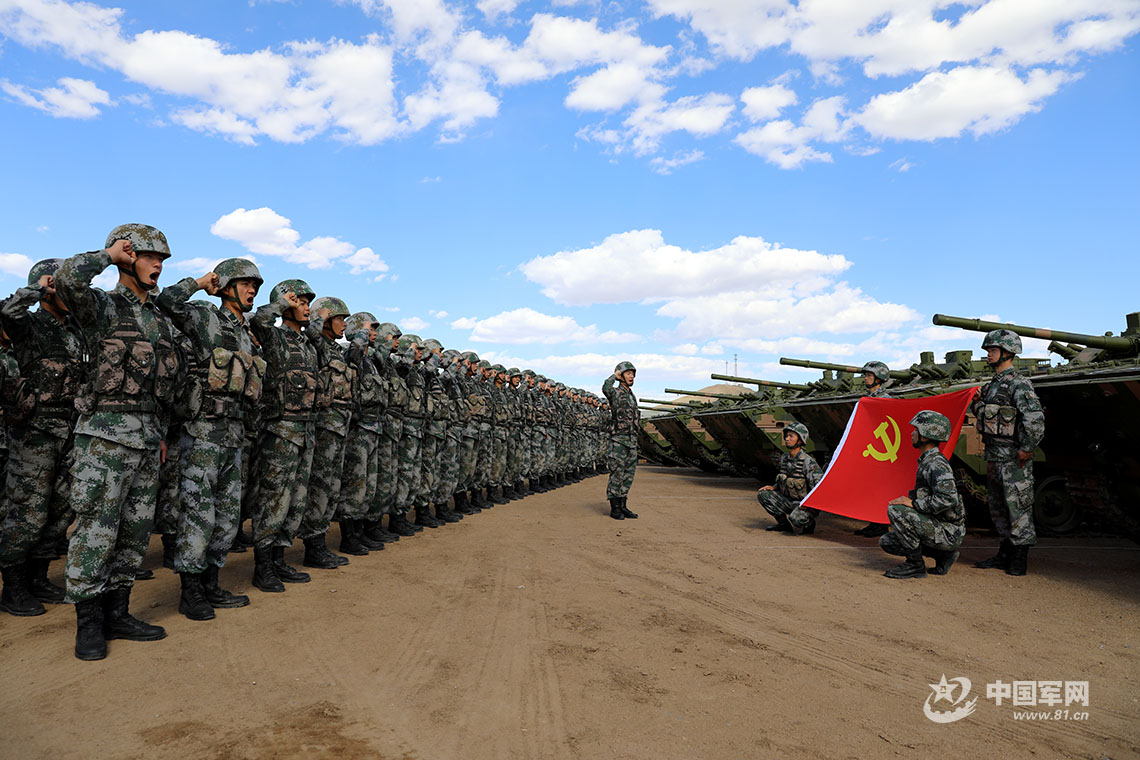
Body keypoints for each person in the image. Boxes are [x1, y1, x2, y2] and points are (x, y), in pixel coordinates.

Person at [56, 224, 181, 661]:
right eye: (148, 256)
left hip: (147, 438)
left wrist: (161, 436)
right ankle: (88, 624)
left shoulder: (160, 319)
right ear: (129, 257)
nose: (157, 265)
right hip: (104, 437)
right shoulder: (102, 306)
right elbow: (69, 276)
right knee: (96, 529)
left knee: (133, 533)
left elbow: (162, 384)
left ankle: (118, 613)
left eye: (162, 258)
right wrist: (109, 255)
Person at [155, 258, 264, 619]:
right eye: (246, 284)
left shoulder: (246, 333)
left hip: (233, 433)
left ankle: (211, 583)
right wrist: (200, 283)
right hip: (202, 432)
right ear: (227, 287)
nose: (252, 290)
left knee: (227, 514)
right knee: (198, 512)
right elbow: (166, 302)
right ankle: (191, 592)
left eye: (256, 286)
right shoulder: (205, 316)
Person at [0, 259, 85, 616]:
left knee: (62, 507)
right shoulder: (30, 325)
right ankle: (13, 586)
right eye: (60, 286)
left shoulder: (76, 330)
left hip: (70, 427)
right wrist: (39, 289)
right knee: (27, 511)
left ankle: (38, 576)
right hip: (34, 430)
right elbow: (8, 311)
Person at [249, 279, 319, 592]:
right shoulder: (275, 336)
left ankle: (279, 559)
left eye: (306, 302)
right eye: (300, 301)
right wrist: (281, 304)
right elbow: (259, 320)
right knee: (273, 500)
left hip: (305, 431)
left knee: (295, 501)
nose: (305, 307)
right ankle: (263, 567)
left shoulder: (306, 344)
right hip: (279, 432)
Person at [971, 329, 1045, 576]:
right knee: (998, 508)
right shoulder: (991, 385)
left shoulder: (1019, 383)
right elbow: (985, 416)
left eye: (992, 351)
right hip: (994, 455)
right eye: (989, 351)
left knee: (1018, 508)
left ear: (1007, 352)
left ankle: (1019, 559)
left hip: (1014, 458)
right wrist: (978, 402)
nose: (988, 355)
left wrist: (1026, 448)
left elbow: (1034, 419)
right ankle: (1004, 553)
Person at [298, 296, 356, 567]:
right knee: (319, 487)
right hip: (324, 428)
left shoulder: (336, 351)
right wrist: (317, 316)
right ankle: (313, 546)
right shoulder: (318, 343)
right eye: (340, 318)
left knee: (332, 487)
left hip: (339, 428)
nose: (344, 324)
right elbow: (311, 331)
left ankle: (320, 539)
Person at [879, 411, 965, 579]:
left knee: (897, 510)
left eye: (915, 430)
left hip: (949, 531)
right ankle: (943, 556)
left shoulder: (936, 464)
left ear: (925, 436)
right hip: (940, 526)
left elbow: (949, 498)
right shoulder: (928, 461)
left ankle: (915, 565)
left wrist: (914, 504)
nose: (912, 434)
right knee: (888, 541)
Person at [757, 422, 822, 534]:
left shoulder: (808, 462)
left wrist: (808, 504)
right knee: (763, 494)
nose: (787, 439)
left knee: (796, 519)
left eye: (791, 436)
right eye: (786, 436)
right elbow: (786, 477)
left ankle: (809, 523)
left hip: (804, 504)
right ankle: (783, 525)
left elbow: (818, 487)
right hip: (789, 500)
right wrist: (774, 487)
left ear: (800, 440)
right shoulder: (785, 458)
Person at [854, 360, 894, 538]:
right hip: (869, 448)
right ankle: (873, 522)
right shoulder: (866, 399)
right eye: (866, 375)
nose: (866, 378)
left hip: (881, 449)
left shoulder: (885, 400)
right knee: (870, 487)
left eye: (870, 375)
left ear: (880, 377)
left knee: (880, 488)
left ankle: (881, 524)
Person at [602, 361, 639, 520]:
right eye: (628, 373)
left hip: (631, 441)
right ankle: (615, 507)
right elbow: (606, 388)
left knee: (628, 475)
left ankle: (623, 505)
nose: (631, 376)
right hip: (618, 440)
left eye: (633, 374)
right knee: (617, 474)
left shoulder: (631, 395)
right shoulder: (615, 392)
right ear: (621, 375)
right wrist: (614, 376)